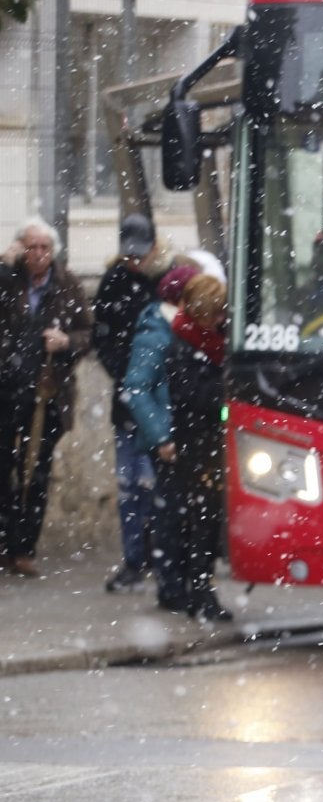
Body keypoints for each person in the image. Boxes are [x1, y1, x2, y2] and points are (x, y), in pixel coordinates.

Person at [124, 267, 233, 622]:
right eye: (216, 311)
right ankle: (181, 588)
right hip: (182, 443)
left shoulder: (210, 342)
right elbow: (142, 389)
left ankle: (192, 588)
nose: (222, 319)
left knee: (196, 519)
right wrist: (162, 437)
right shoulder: (172, 341)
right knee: (180, 518)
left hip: (201, 441)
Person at [0, 219, 93, 577]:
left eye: (45, 248)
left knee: (36, 472)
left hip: (47, 393)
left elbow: (88, 332)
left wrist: (67, 342)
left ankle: (25, 548)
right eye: (31, 247)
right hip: (7, 389)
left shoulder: (67, 284)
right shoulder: (9, 279)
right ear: (20, 249)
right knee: (4, 468)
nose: (38, 254)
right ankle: (6, 542)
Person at [92, 214, 171, 593]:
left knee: (157, 485)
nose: (135, 261)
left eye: (140, 255)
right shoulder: (114, 281)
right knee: (130, 486)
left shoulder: (168, 280)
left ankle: (161, 556)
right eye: (130, 256)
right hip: (130, 399)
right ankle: (135, 558)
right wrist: (126, 375)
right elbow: (102, 338)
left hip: (160, 398)